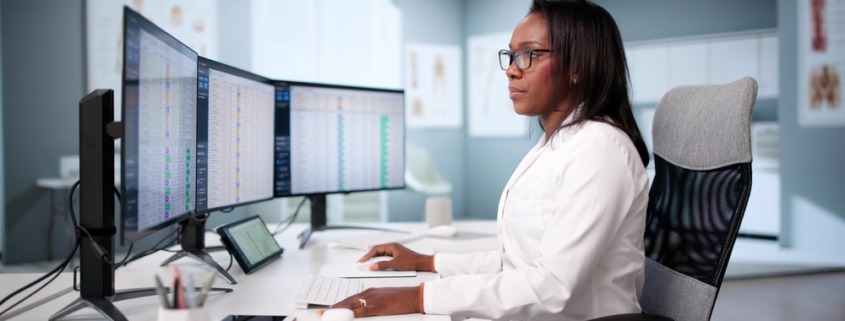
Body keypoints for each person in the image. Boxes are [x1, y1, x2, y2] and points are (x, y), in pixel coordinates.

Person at [329, 0, 650, 320]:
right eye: (510, 55)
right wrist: (429, 262)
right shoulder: (559, 144)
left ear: (578, 66)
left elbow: (550, 286)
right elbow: (517, 262)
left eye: (529, 54)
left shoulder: (600, 149)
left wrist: (418, 297)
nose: (512, 68)